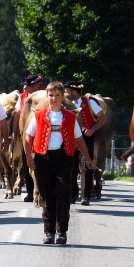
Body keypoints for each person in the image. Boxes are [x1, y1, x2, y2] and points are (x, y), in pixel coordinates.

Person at [24, 82, 95, 245]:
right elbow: (29, 136)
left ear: (63, 97)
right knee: (47, 196)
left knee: (63, 194)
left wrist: (88, 158)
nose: (54, 99)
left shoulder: (70, 117)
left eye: (57, 95)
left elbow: (79, 139)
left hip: (64, 158)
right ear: (47, 96)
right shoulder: (39, 115)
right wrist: (29, 156)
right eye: (51, 95)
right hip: (43, 158)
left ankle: (61, 231)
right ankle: (48, 231)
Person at [64, 81, 107, 205]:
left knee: (86, 165)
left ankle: (85, 196)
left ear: (74, 92)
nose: (65, 94)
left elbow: (102, 119)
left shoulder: (89, 102)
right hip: (70, 138)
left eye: (67, 91)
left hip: (86, 136)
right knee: (70, 165)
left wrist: (92, 130)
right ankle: (72, 194)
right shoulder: (65, 104)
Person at [12, 74, 43, 202]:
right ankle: (30, 191)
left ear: (36, 86)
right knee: (26, 162)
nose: (24, 87)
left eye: (28, 85)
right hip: (26, 134)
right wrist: (14, 132)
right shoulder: (23, 97)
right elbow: (18, 115)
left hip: (41, 134)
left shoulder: (46, 95)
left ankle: (42, 189)